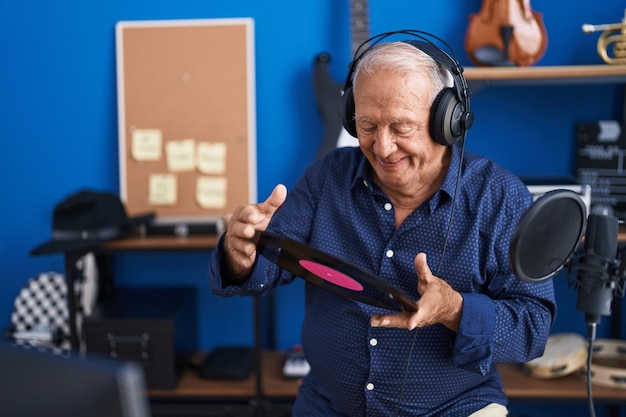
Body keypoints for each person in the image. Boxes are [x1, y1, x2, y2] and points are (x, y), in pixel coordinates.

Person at [208, 33, 556, 417]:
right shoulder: (328, 176)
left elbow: (532, 326)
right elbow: (270, 262)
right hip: (328, 406)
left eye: (401, 127)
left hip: (454, 408)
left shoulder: (501, 197)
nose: (382, 147)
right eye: (367, 125)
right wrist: (241, 254)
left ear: (447, 121)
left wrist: (455, 310)